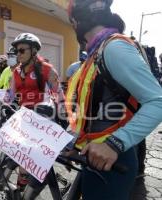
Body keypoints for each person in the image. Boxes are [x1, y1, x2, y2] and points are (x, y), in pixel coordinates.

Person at [66, 0, 162, 199]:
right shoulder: (95, 53)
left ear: (78, 20)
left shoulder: (113, 47)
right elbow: (91, 110)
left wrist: (114, 143)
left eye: (72, 22)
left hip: (113, 160)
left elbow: (158, 101)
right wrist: (74, 142)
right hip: (93, 155)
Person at [9, 33, 61, 190]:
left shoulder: (47, 69)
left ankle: (41, 184)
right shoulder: (16, 71)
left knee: (34, 158)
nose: (18, 54)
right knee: (21, 154)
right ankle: (22, 187)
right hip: (24, 117)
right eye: (16, 51)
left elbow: (59, 94)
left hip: (42, 119)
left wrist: (64, 118)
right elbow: (10, 94)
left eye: (21, 50)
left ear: (33, 51)